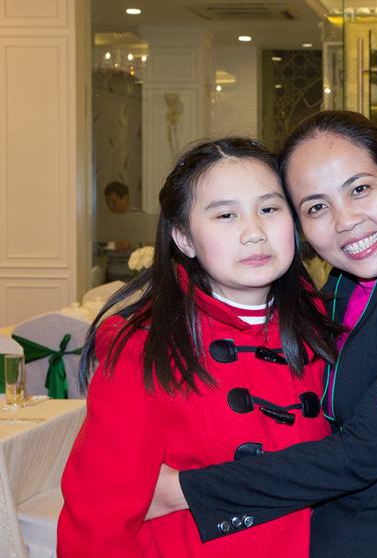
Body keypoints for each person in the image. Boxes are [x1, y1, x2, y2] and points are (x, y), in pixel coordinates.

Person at [151, 111, 377, 557]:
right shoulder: (340, 286)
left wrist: (183, 491)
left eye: (359, 189)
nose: (345, 221)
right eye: (316, 207)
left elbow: (361, 455)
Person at [59, 137, 340, 557]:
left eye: (269, 209)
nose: (254, 232)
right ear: (184, 238)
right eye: (226, 215)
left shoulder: (321, 319)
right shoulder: (147, 345)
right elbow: (99, 521)